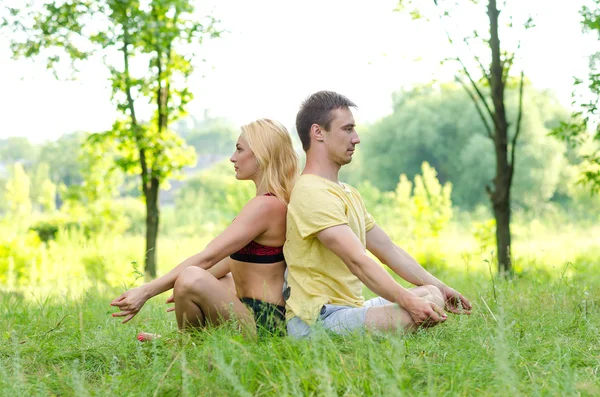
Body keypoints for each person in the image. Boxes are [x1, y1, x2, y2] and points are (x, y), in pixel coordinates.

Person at [284, 91, 472, 338]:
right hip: (316, 320)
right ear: (318, 132)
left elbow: (389, 250)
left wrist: (442, 287)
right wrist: (407, 302)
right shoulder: (310, 191)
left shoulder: (347, 192)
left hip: (350, 310)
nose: (356, 138)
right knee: (409, 312)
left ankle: (403, 313)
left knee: (430, 294)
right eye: (347, 129)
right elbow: (357, 261)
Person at [110, 118, 299, 337]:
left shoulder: (266, 205)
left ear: (261, 155)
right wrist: (187, 291)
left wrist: (146, 291)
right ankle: (191, 346)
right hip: (251, 313)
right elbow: (226, 263)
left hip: (265, 324)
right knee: (202, 278)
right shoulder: (271, 202)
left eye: (239, 150)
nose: (232, 158)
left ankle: (184, 348)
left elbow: (207, 257)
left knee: (191, 276)